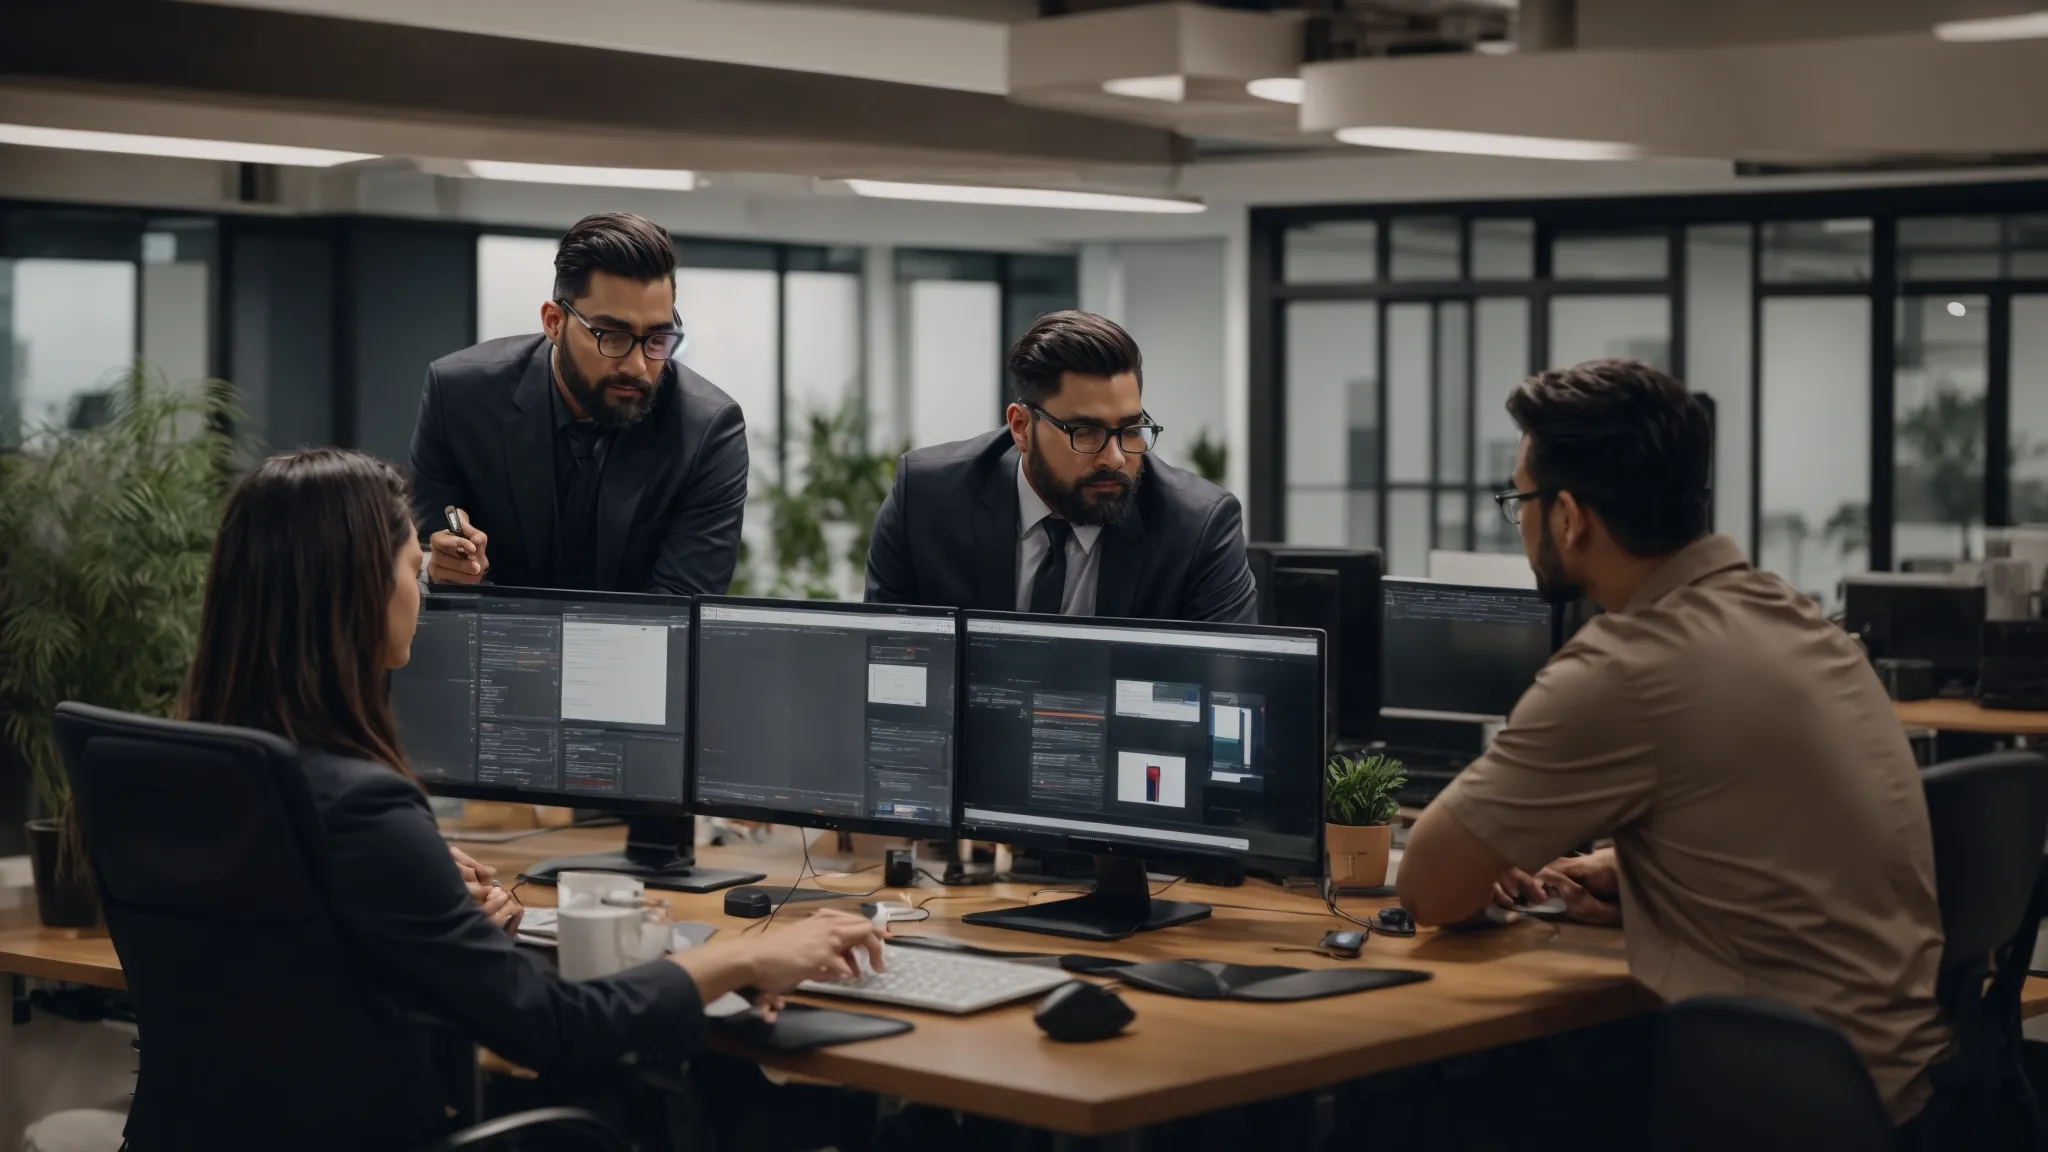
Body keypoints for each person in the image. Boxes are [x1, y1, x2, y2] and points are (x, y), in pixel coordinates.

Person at [177, 447, 882, 1149]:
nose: (421, 593)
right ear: (359, 590)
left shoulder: (205, 774)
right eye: (410, 568)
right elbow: (558, 1030)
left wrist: (422, 899)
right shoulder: (362, 809)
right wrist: (748, 958)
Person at [1395, 359, 1950, 1133]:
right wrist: (1639, 871)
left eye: (1518, 499)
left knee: (1420, 1111)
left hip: (1778, 1113)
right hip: (1900, 1090)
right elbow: (1792, 823)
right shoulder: (1789, 613)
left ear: (1569, 518)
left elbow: (1428, 889)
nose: (1517, 519)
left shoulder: (1628, 666)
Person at [409, 211, 747, 595]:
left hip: (637, 649)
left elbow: (681, 606)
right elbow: (426, 549)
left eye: (657, 338)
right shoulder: (460, 397)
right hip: (490, 643)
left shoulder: (708, 429)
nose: (637, 366)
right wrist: (444, 567)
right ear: (555, 322)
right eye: (613, 336)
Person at [864, 310, 1256, 622]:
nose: (1115, 458)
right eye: (1086, 432)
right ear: (1021, 427)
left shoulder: (1196, 527)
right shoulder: (928, 499)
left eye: (1130, 429)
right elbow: (886, 663)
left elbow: (1224, 688)